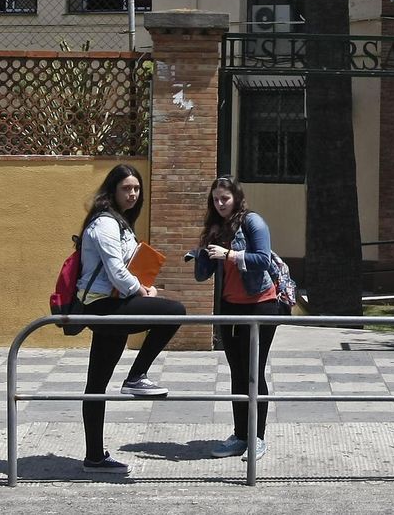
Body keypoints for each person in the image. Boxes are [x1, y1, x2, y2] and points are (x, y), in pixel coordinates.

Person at [76, 163, 185, 475]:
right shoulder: (105, 224)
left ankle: (94, 457)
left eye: (137, 188)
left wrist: (143, 284)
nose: (133, 193)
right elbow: (116, 270)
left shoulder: (120, 223)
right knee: (175, 312)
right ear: (113, 189)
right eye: (127, 188)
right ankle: (137, 376)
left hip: (114, 303)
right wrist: (141, 290)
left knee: (95, 384)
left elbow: (128, 265)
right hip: (102, 307)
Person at [195, 175, 288, 460]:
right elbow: (205, 273)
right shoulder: (216, 227)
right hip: (230, 307)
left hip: (260, 305)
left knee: (253, 371)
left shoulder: (252, 222)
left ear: (236, 197)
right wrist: (201, 254)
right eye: (215, 199)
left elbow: (262, 258)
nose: (220, 203)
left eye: (225, 198)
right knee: (236, 371)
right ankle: (240, 435)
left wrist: (230, 255)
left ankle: (257, 437)